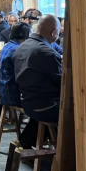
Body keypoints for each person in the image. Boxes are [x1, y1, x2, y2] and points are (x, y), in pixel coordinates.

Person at [13, 15, 63, 148]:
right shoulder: (47, 52)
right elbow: (62, 83)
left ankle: (25, 141)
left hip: (27, 102)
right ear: (54, 32)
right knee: (77, 110)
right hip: (46, 106)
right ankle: (68, 153)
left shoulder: (21, 47)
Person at [0, 23, 32, 108]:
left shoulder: (8, 45)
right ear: (24, 34)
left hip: (4, 92)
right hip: (12, 96)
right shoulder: (18, 49)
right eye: (30, 34)